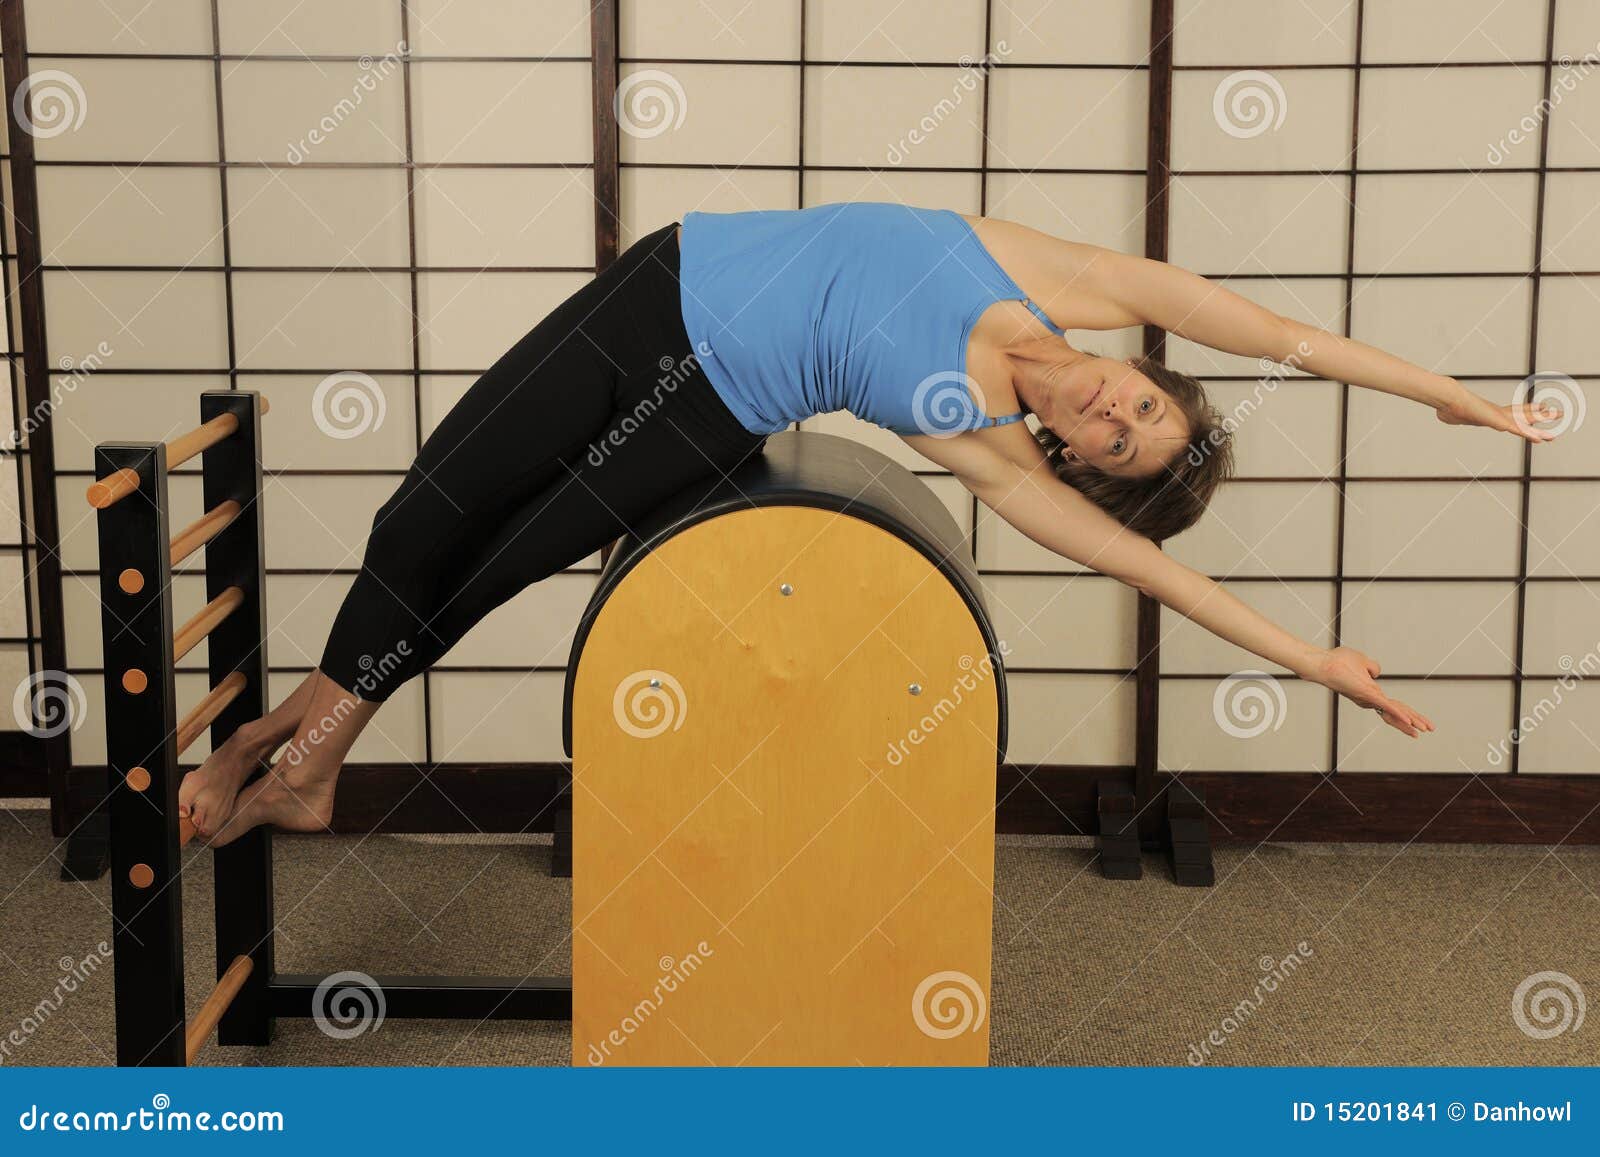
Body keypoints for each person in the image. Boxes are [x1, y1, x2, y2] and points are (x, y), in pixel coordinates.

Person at [179, 201, 1561, 844]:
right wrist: (1454, 398)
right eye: (1137, 400)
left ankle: (305, 752)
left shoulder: (994, 452)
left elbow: (1155, 574)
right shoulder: (1055, 272)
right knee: (429, 509)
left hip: (700, 414)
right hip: (653, 296)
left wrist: (1310, 660)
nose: (1108, 412)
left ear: (1083, 462)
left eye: (1115, 442)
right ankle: (300, 755)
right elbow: (1286, 335)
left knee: (479, 573)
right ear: (1138, 364)